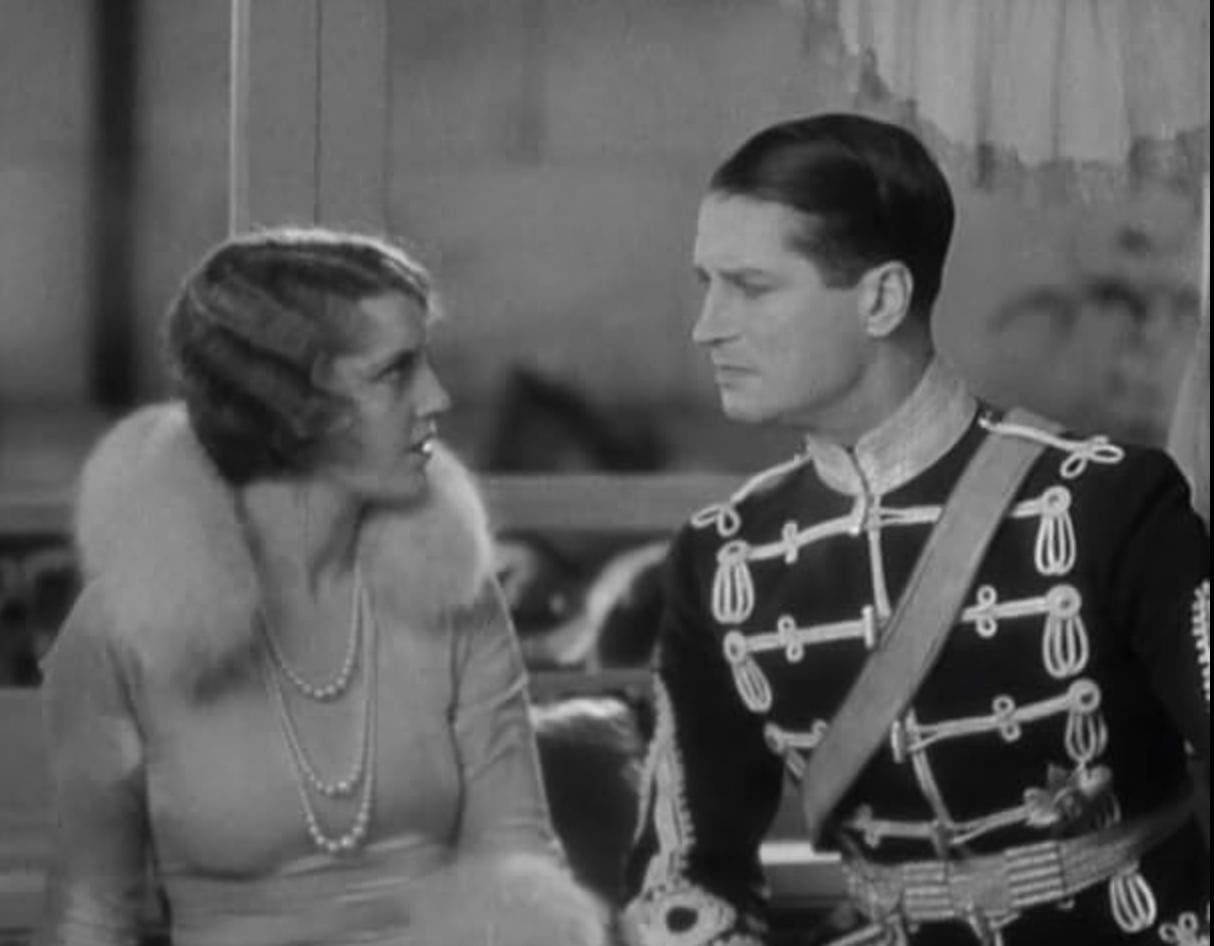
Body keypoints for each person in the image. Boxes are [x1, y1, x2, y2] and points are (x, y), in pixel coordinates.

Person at [624, 114, 1210, 946]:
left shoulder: (1107, 500)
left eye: (750, 288)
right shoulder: (723, 557)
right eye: (705, 285)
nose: (707, 326)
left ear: (883, 298)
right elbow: (684, 872)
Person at [34, 226, 605, 946]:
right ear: (288, 402)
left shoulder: (454, 594)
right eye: (395, 373)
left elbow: (523, 872)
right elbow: (92, 915)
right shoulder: (124, 627)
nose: (436, 398)